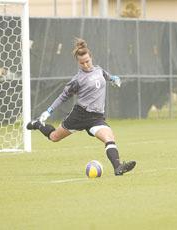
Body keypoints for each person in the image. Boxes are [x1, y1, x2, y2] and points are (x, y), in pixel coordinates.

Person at [26, 38, 136, 176]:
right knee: (54, 137)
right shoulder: (77, 80)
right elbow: (62, 96)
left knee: (109, 137)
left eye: (87, 61)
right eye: (82, 63)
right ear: (78, 63)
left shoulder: (99, 70)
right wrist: (48, 111)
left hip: (96, 117)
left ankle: (118, 167)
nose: (85, 65)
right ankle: (38, 124)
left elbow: (108, 76)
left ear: (91, 58)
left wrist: (115, 79)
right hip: (79, 115)